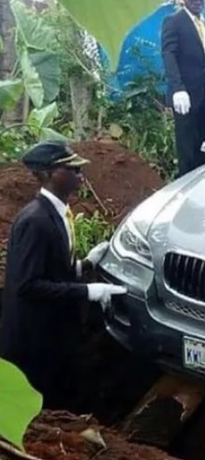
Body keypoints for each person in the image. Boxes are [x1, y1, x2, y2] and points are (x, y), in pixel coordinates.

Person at [0, 141, 126, 407]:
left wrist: (86, 265)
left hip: (56, 334)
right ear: (47, 174)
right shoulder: (35, 222)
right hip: (36, 341)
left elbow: (51, 269)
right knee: (44, 405)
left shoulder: (58, 213)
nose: (80, 174)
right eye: (71, 169)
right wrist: (89, 291)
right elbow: (28, 285)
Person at [161, 0, 205, 177]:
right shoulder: (174, 21)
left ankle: (202, 181)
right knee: (187, 147)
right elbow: (169, 54)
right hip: (185, 97)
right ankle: (186, 188)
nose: (197, 2)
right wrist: (178, 88)